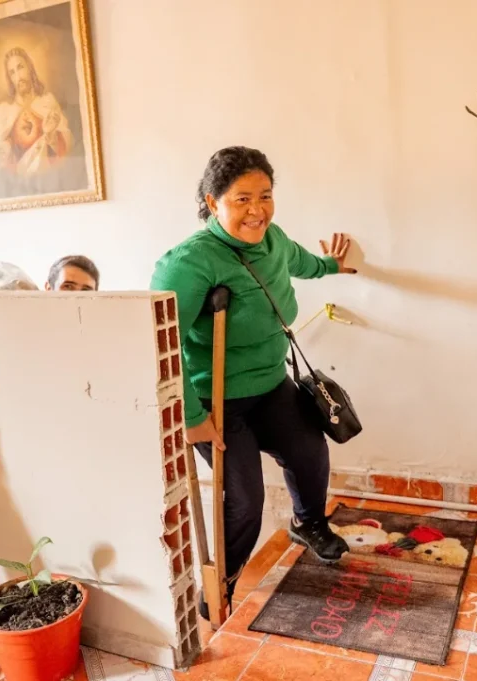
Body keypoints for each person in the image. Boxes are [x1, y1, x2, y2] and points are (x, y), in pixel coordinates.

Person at [150, 146, 357, 616]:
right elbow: (160, 345)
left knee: (310, 452)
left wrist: (332, 266)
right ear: (212, 202)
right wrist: (192, 417)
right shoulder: (189, 262)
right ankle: (220, 584)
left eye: (265, 196)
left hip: (270, 385)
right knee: (245, 500)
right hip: (216, 399)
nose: (257, 210)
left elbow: (300, 262)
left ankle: (308, 524)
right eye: (242, 199)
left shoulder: (273, 239)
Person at [0, 46, 73, 177]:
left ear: (29, 68)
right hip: (20, 183)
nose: (18, 77)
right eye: (12, 72)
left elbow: (67, 145)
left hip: (49, 177)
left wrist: (51, 135)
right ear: (10, 78)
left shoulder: (47, 101)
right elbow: (0, 158)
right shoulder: (4, 111)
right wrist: (4, 150)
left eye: (20, 67)